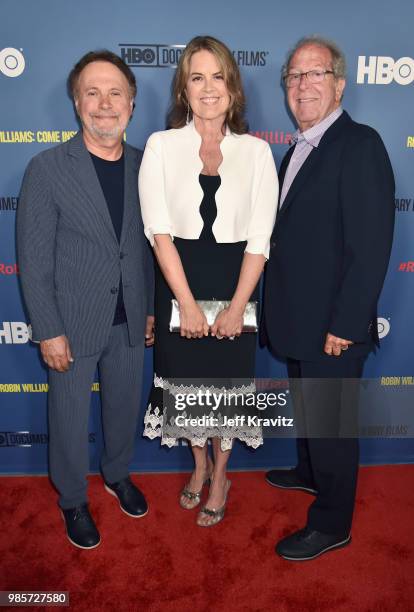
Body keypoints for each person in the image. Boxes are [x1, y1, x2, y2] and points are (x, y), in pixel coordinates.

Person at [261, 36, 395, 560]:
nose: (302, 85)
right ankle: (310, 472)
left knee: (334, 428)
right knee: (311, 412)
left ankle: (332, 522)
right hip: (301, 320)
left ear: (339, 84)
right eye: (294, 76)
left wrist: (346, 322)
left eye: (315, 74)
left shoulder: (359, 144)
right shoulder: (297, 148)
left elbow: (371, 244)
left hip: (334, 327)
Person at [16, 50, 154, 550]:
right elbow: (33, 261)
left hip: (131, 316)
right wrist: (48, 329)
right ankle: (73, 498)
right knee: (69, 418)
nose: (104, 103)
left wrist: (151, 309)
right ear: (77, 103)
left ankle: (118, 475)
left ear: (132, 104)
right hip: (71, 324)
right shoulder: (47, 168)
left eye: (115, 92)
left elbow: (149, 246)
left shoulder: (147, 165)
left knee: (123, 407)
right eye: (92, 92)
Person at [139, 35, 278, 527]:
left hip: (238, 281)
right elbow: (159, 234)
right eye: (196, 77)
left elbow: (259, 240)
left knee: (226, 390)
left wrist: (237, 307)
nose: (208, 87)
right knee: (186, 388)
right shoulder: (160, 146)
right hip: (179, 281)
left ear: (234, 89)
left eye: (218, 76)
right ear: (183, 88)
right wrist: (189, 304)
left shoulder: (258, 153)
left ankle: (221, 475)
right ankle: (197, 467)